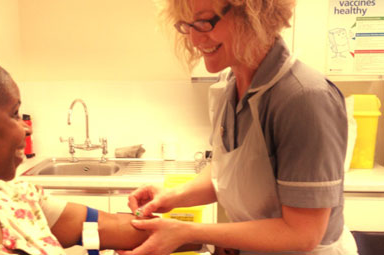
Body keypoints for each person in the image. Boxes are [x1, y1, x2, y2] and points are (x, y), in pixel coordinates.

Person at [123, 0, 358, 254]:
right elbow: (233, 172)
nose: (193, 38)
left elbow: (302, 234)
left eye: (203, 22)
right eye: (187, 25)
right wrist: (173, 196)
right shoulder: (231, 85)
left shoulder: (304, 99)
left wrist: (185, 232)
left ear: (253, 14)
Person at [0, 45, 199, 255]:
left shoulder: (12, 198)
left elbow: (112, 226)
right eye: (14, 114)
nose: (25, 128)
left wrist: (214, 238)